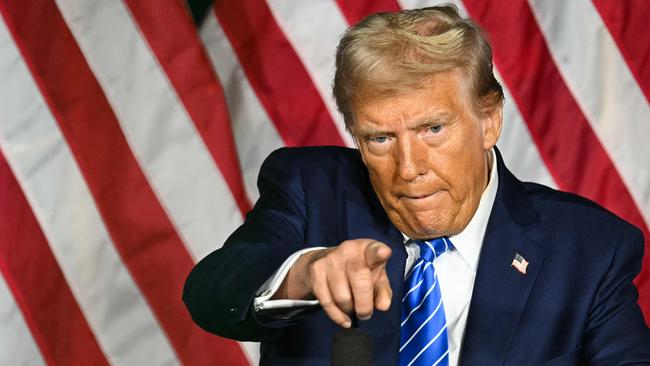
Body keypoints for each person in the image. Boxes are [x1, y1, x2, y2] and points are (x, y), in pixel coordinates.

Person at [183, 5, 650, 365]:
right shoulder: (312, 191)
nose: (408, 168)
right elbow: (209, 295)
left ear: (488, 120)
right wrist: (305, 273)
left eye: (433, 130)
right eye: (380, 138)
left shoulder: (589, 248)